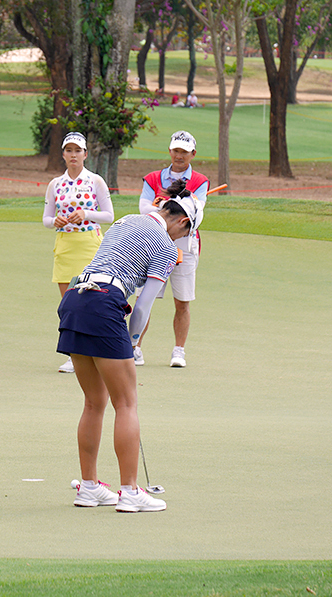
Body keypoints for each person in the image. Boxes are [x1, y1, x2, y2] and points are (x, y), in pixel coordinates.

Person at [58, 192, 204, 512]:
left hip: (74, 299)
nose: (182, 239)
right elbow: (143, 306)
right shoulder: (167, 247)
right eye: (186, 233)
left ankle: (90, 487)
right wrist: (133, 342)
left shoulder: (126, 220)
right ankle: (130, 492)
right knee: (126, 402)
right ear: (181, 221)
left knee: (95, 402)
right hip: (105, 301)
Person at [135, 130, 209, 368]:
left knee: (182, 301)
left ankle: (179, 351)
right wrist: (167, 208)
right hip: (154, 243)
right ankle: (134, 347)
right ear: (170, 151)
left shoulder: (200, 181)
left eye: (184, 152)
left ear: (192, 154)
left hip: (185, 245)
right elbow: (143, 207)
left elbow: (193, 214)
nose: (179, 156)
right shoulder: (153, 178)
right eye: (176, 150)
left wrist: (161, 205)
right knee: (144, 299)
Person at [43, 131, 114, 373]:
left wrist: (86, 214)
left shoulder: (95, 181)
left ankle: (94, 350)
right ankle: (74, 355)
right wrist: (56, 221)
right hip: (65, 243)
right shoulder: (55, 184)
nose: (73, 155)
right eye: (69, 150)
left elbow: (109, 215)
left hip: (89, 244)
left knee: (90, 300)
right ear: (63, 154)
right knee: (68, 304)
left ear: (85, 154)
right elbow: (46, 218)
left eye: (77, 151)